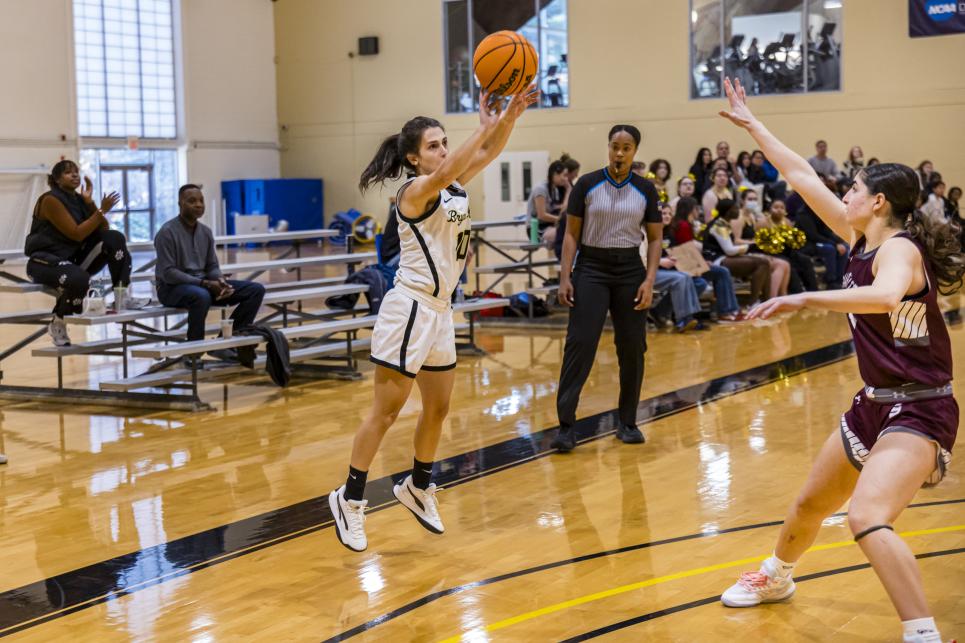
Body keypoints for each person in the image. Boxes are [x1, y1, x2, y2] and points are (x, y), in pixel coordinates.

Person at [718, 77, 963, 643]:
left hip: (921, 410)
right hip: (874, 405)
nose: (843, 194)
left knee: (865, 517)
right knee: (808, 504)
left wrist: (803, 295)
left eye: (851, 189)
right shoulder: (860, 237)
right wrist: (753, 124)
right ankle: (776, 576)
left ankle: (923, 636)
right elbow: (801, 176)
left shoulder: (899, 249)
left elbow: (883, 297)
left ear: (877, 202)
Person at [328, 87, 538, 552]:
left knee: (439, 409)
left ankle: (418, 486)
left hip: (440, 311)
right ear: (413, 158)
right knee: (386, 412)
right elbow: (454, 165)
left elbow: (485, 152)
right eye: (433, 145)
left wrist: (510, 117)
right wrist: (485, 124)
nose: (443, 151)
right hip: (409, 308)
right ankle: (350, 497)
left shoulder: (453, 185)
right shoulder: (413, 192)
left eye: (445, 142)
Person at [553, 124, 662, 452]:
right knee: (580, 344)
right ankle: (566, 426)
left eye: (626, 148)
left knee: (632, 348)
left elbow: (656, 238)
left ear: (635, 151)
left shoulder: (646, 189)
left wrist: (649, 280)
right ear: (609, 146)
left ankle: (627, 422)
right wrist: (565, 276)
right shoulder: (587, 184)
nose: (619, 153)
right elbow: (571, 234)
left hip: (630, 268)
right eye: (615, 146)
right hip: (591, 268)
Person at [25, 160, 130, 346]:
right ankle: (58, 321)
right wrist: (102, 210)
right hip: (44, 260)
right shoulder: (50, 200)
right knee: (79, 278)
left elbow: (103, 229)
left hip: (71, 259)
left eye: (76, 171)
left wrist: (91, 204)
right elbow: (76, 233)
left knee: (115, 238)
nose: (74, 175)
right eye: (67, 173)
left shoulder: (79, 200)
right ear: (57, 180)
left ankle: (122, 296)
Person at [154, 185, 266, 351]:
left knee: (255, 290)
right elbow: (169, 273)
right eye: (192, 201)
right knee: (202, 296)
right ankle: (194, 353)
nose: (199, 204)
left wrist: (219, 280)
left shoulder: (205, 232)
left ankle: (225, 345)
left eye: (201, 200)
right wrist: (205, 283)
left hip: (203, 286)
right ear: (180, 204)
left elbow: (211, 265)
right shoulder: (167, 232)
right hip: (171, 289)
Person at [702, 198, 771, 305]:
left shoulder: (723, 222)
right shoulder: (719, 225)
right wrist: (752, 246)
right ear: (728, 211)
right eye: (736, 208)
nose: (738, 211)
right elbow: (729, 250)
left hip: (724, 257)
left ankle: (767, 302)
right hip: (716, 260)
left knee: (765, 262)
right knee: (762, 263)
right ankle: (752, 303)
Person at [735, 188, 792, 297]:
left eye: (755, 199)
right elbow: (736, 241)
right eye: (750, 199)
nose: (753, 202)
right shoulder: (738, 217)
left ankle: (783, 296)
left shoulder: (752, 216)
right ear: (742, 201)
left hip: (753, 250)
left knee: (786, 264)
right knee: (780, 264)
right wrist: (755, 241)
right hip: (742, 252)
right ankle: (772, 299)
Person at [528, 160, 569, 247]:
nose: (566, 179)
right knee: (565, 234)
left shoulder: (554, 190)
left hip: (548, 226)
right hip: (535, 229)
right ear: (555, 174)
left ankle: (561, 260)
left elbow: (562, 209)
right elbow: (541, 215)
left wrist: (568, 189)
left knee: (569, 233)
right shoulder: (541, 189)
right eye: (564, 175)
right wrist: (561, 220)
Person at [554, 154, 582, 260]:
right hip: (557, 222)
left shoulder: (571, 186)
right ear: (568, 173)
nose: (576, 176)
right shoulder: (560, 187)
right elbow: (562, 208)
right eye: (575, 173)